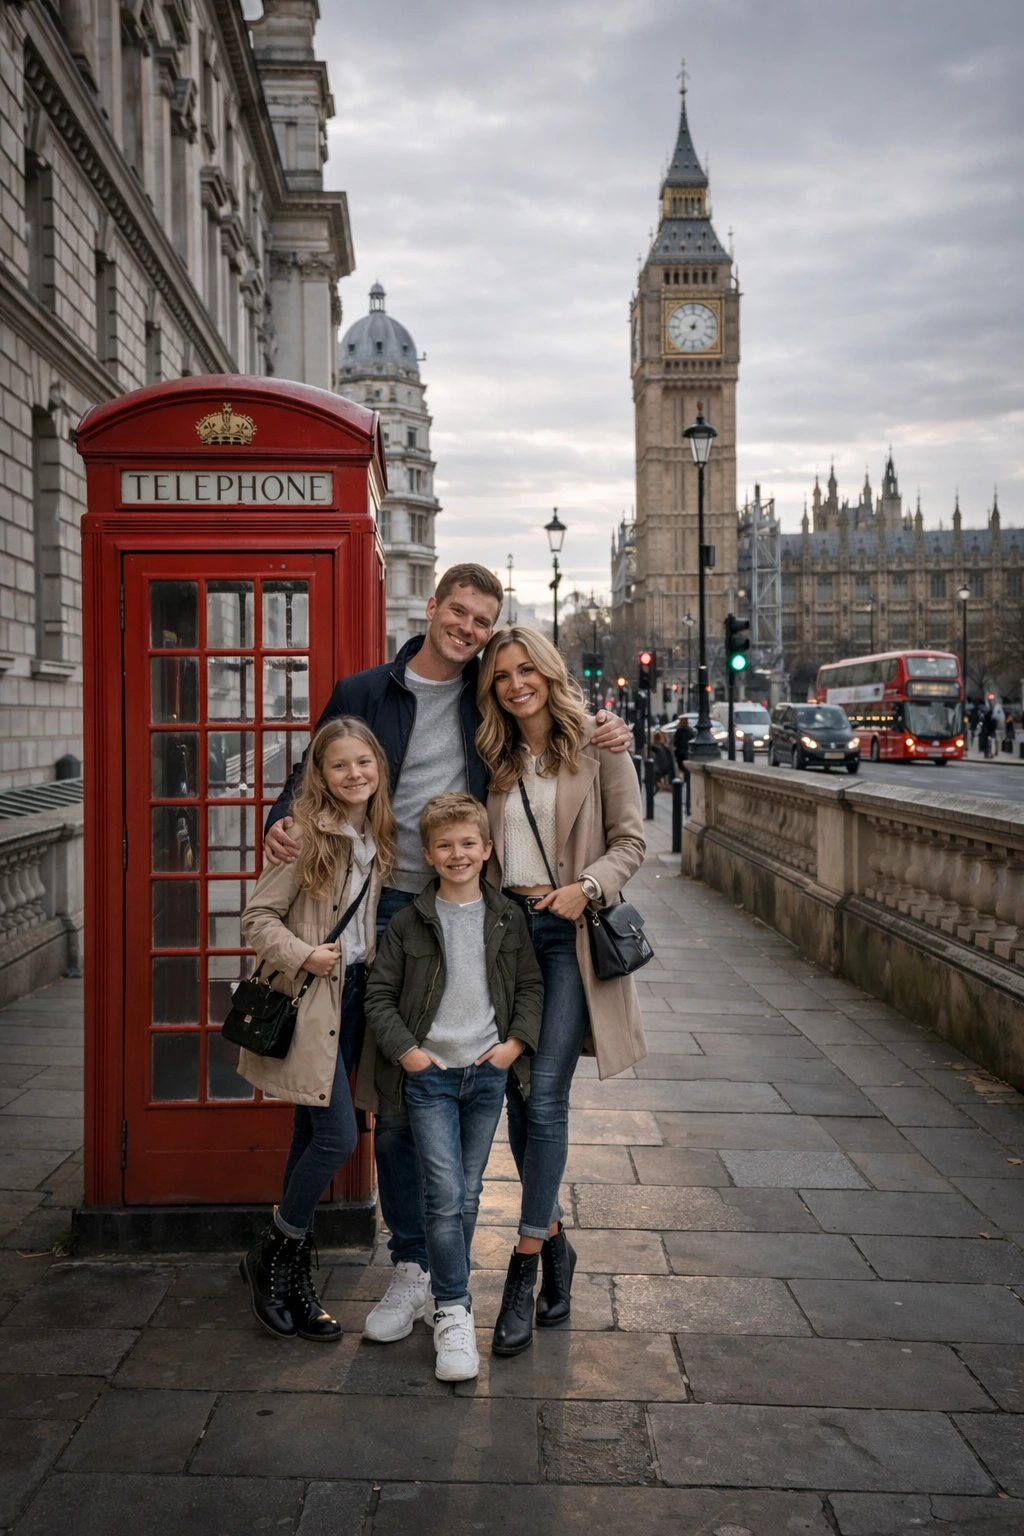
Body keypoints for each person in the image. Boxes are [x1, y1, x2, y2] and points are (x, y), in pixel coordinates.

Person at [261, 564, 631, 1344]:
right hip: (370, 910)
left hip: (460, 907)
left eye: (480, 622)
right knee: (367, 1095)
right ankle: (402, 1264)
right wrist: (280, 821)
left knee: (505, 1092)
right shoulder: (367, 690)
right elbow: (313, 769)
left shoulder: (483, 701)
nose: (466, 629)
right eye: (457, 612)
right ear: (432, 607)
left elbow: (551, 744)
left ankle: (516, 1249)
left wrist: (608, 731)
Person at [476, 626, 647, 1356]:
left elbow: (631, 842)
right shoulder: (490, 755)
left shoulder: (601, 746)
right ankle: (556, 1243)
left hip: (568, 936)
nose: (516, 685)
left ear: (548, 674)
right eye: (501, 676)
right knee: (517, 1096)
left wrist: (588, 887)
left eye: (527, 671)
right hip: (506, 940)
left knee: (545, 1095)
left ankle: (523, 1267)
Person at [364, 793, 543, 1381]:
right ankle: (454, 1309)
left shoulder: (507, 917)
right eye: (444, 845)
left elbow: (530, 986)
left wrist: (513, 1046)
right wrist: (410, 1054)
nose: (457, 853)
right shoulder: (410, 921)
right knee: (444, 1195)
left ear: (488, 849)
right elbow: (379, 996)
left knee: (467, 1194)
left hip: (486, 1075)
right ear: (427, 854)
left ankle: (441, 1296)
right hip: (431, 1078)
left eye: (468, 843)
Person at [238, 718, 394, 1341]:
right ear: (320, 776)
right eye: (339, 765)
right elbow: (256, 917)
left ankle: (291, 1278)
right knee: (337, 1139)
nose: (354, 774)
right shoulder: (303, 835)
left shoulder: (378, 834)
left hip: (354, 999)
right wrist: (305, 954)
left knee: (308, 1131)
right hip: (311, 1000)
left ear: (378, 766)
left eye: (364, 762)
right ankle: (273, 1252)